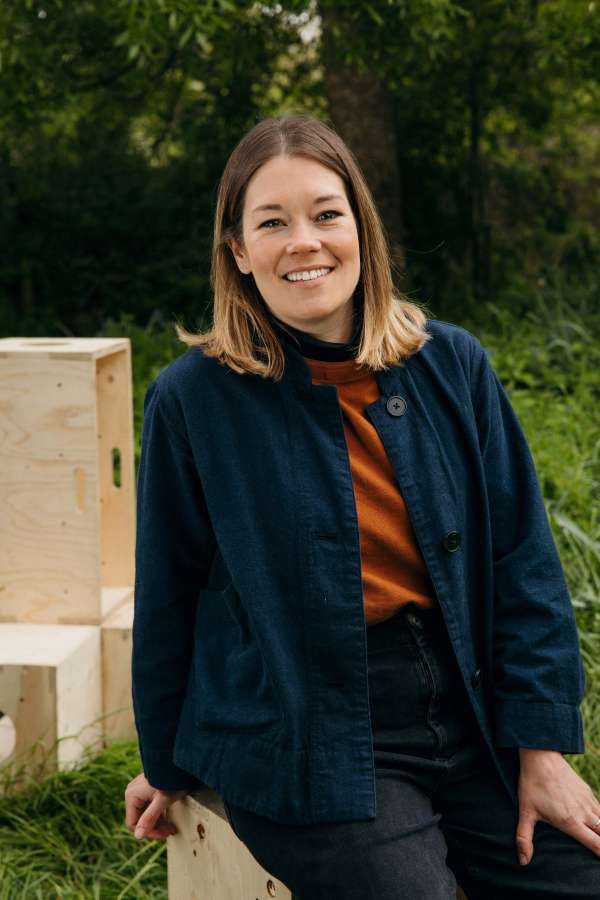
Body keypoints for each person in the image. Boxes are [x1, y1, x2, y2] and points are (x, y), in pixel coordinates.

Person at [124, 113, 600, 898]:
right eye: (271, 222)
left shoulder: (454, 365)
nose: (303, 242)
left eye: (325, 214)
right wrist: (164, 762)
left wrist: (540, 750)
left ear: (361, 230)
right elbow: (170, 590)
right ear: (239, 252)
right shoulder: (192, 400)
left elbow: (523, 562)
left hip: (467, 705)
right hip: (303, 727)